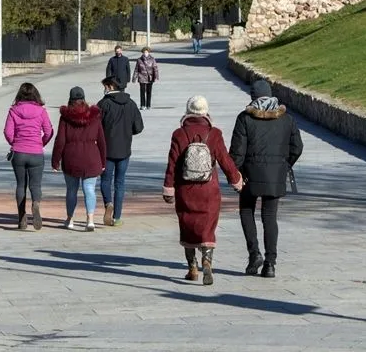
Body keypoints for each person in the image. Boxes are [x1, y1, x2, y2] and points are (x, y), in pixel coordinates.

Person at [162, 96, 243, 286]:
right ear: (206, 112)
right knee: (207, 227)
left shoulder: (179, 134)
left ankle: (192, 268)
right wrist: (236, 180)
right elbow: (225, 160)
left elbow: (172, 163)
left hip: (185, 188)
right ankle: (207, 260)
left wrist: (168, 188)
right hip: (209, 189)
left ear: (188, 111)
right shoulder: (214, 134)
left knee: (187, 225)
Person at [230, 79, 304, 279]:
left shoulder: (244, 118)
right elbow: (297, 146)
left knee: (247, 211)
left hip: (249, 175)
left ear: (253, 96)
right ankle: (270, 263)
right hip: (276, 175)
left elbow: (237, 152)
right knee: (270, 217)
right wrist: (284, 164)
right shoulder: (286, 118)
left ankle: (254, 254)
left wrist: (236, 172)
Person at [51, 86, 107, 231]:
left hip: (71, 158)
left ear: (70, 100)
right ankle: (90, 220)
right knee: (89, 189)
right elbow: (101, 140)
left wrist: (55, 160)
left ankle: (70, 219)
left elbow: (60, 141)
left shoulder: (65, 118)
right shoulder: (94, 116)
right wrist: (103, 161)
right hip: (91, 158)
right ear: (84, 99)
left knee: (71, 190)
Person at [3, 82, 54, 231]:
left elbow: (7, 132)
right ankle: (36, 205)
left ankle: (22, 219)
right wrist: (41, 143)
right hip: (36, 152)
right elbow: (49, 131)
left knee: (20, 185)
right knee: (35, 185)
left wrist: (15, 142)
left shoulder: (13, 110)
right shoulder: (41, 111)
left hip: (19, 152)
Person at [97, 76, 144, 227]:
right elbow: (138, 127)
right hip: (124, 149)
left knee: (105, 180)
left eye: (105, 86)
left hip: (106, 150)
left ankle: (108, 204)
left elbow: (95, 127)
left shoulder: (103, 104)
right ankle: (117, 217)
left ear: (110, 86)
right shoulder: (131, 104)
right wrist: (126, 132)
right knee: (120, 183)